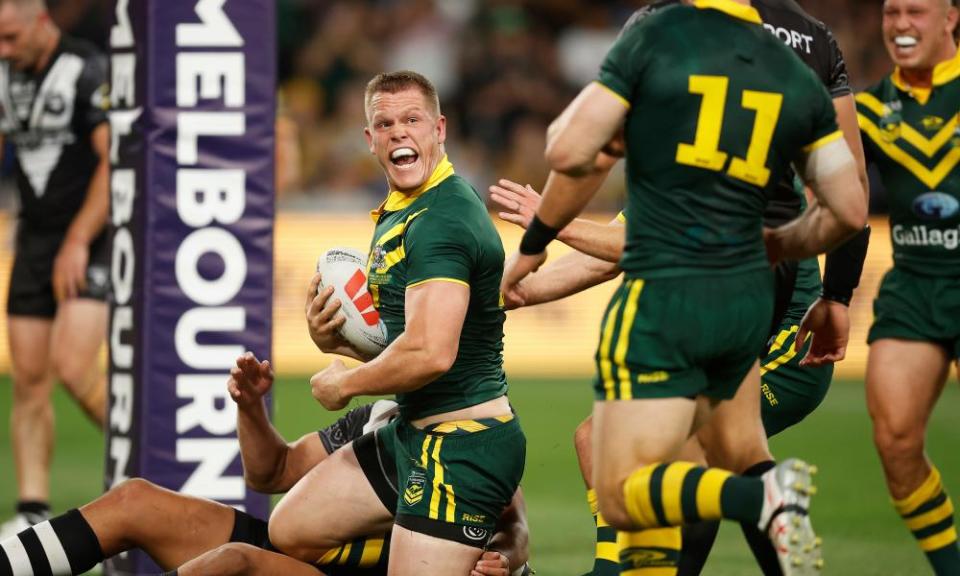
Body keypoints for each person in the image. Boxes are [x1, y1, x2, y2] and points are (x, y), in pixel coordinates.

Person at [491, 0, 871, 573]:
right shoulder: (794, 68)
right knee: (741, 450)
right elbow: (849, 209)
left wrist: (539, 237)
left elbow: (571, 152)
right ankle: (765, 495)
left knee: (620, 485)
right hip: (748, 298)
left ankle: (758, 500)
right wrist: (778, 246)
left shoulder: (656, 33)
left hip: (670, 292)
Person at [0, 353, 529, 576]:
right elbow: (271, 474)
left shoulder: (469, 429)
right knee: (135, 500)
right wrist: (250, 407)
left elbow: (515, 529)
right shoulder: (378, 418)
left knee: (235, 562)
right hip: (303, 555)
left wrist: (502, 559)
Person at [856, 0, 960, 573]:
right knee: (895, 440)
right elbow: (846, 208)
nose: (900, 25)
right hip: (916, 286)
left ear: (951, 17)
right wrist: (833, 297)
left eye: (916, 12)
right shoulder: (868, 110)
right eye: (892, 12)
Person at [0, 0, 109, 538]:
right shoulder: (5, 76)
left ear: (41, 22)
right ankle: (31, 510)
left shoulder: (86, 69)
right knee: (29, 381)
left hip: (91, 239)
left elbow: (113, 162)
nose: (4, 50)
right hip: (34, 241)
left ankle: (146, 463)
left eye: (11, 38)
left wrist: (79, 239)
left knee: (72, 365)